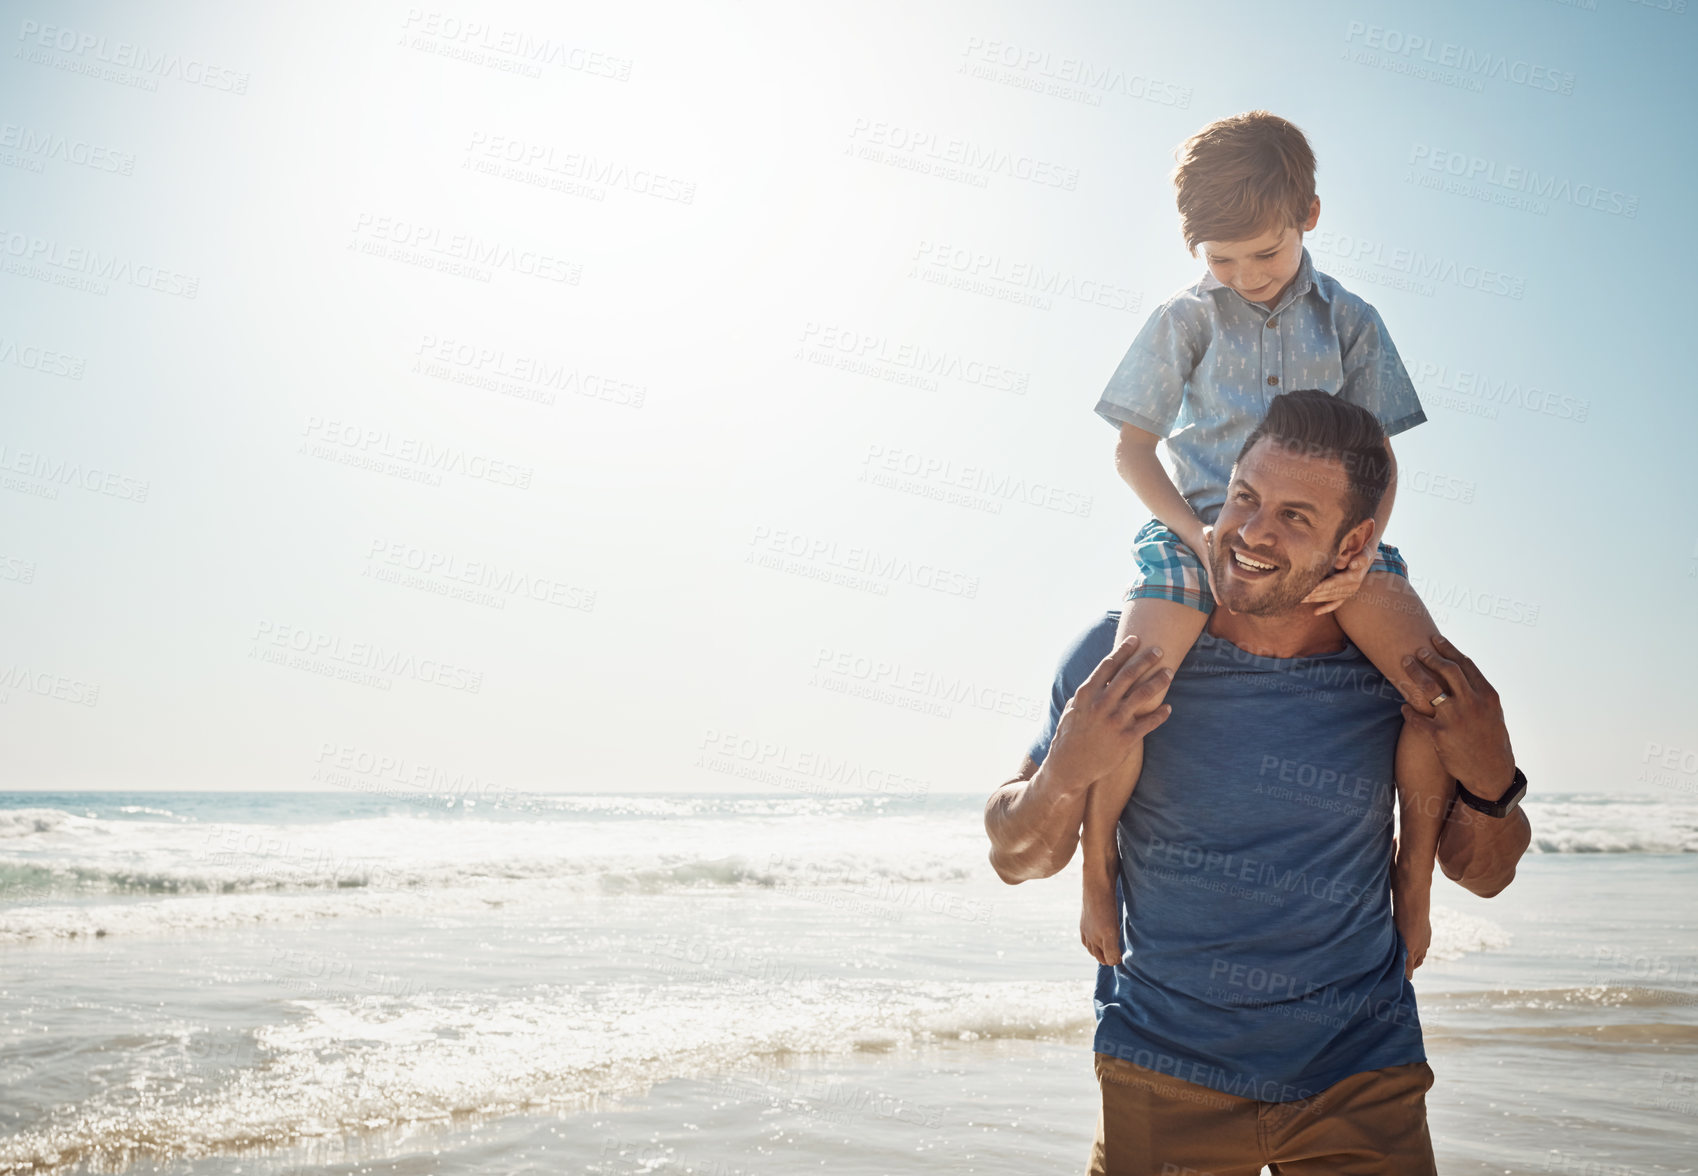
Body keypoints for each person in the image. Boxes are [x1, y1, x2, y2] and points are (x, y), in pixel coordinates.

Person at [983, 393, 1532, 1175]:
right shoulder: (1125, 654)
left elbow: (1488, 874)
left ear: (1356, 545)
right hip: (1163, 1071)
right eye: (1245, 498)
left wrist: (1492, 775)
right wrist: (1065, 773)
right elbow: (1017, 858)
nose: (1251, 532)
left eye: (1296, 518)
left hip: (1362, 1072)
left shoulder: (1395, 673)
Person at [1079, 111, 1454, 978]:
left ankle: (1416, 878)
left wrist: (1362, 552)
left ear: (1309, 217)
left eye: (1266, 254)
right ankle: (1100, 869)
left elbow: (1382, 458)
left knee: (1431, 684)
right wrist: (1197, 534)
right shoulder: (1184, 320)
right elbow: (1133, 449)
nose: (1245, 276)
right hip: (1198, 524)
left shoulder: (1352, 321)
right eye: (1221, 260)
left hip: (1321, 541)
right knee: (1126, 685)